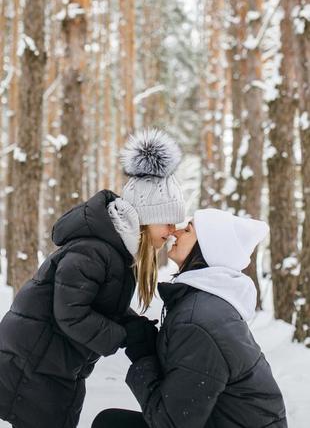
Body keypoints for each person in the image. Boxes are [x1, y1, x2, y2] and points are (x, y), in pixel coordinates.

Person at [0, 128, 185, 428]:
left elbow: (96, 303)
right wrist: (123, 336)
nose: (172, 230)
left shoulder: (113, 250)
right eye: (167, 221)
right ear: (147, 218)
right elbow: (70, 313)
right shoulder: (94, 250)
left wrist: (131, 323)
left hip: (55, 362)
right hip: (33, 363)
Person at [93, 208, 288, 428]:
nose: (175, 232)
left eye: (188, 230)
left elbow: (169, 423)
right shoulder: (204, 304)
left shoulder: (200, 321)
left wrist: (143, 356)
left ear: (208, 247)